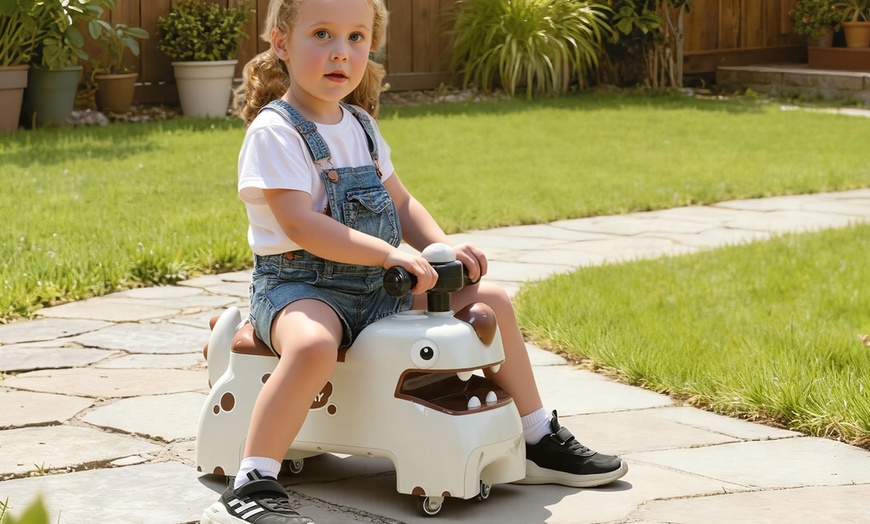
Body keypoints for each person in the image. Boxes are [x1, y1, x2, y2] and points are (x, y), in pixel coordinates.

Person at [201, 0, 628, 522]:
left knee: (491, 298)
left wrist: (442, 250)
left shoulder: (359, 125)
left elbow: (400, 203)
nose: (341, 52)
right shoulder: (275, 131)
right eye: (322, 34)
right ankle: (255, 479)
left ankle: (537, 434)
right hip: (300, 288)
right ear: (281, 43)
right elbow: (300, 225)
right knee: (313, 345)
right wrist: (387, 252)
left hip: (381, 285)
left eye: (356, 38)